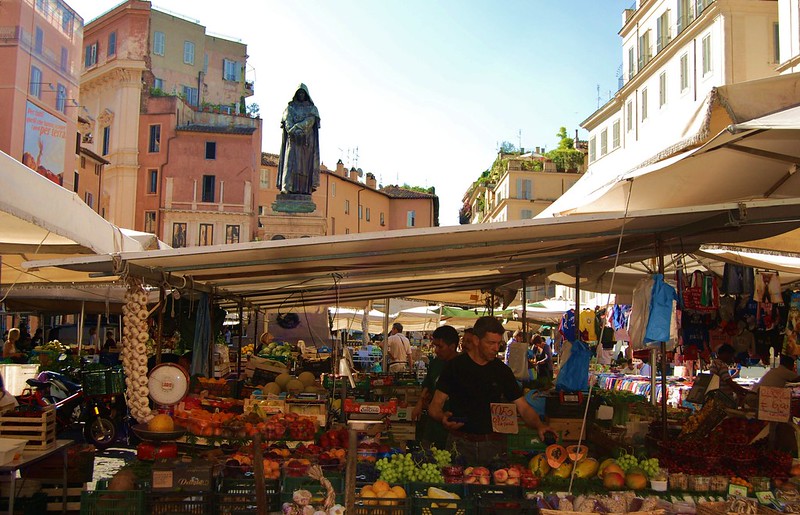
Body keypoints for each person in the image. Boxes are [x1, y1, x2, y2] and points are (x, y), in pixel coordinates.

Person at [428, 316, 552, 465]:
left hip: (494, 445)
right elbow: (434, 407)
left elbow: (523, 407)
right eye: (490, 343)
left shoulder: (502, 371)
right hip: (460, 444)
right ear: (476, 340)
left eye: (498, 343)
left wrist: (540, 425)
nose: (496, 348)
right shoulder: (455, 367)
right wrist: (443, 418)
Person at [411, 325, 459, 450]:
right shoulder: (436, 363)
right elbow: (428, 384)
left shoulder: (462, 365)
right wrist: (419, 404)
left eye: (440, 346)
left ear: (453, 347)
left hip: (452, 425)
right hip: (432, 424)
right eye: (435, 346)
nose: (436, 350)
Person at [277, 84, 321, 195]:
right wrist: (292, 130)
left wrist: (297, 127)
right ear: (296, 94)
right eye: (299, 93)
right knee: (290, 162)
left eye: (303, 93)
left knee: (304, 166)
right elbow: (287, 120)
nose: (301, 95)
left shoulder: (312, 109)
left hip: (306, 141)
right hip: (293, 139)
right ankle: (287, 187)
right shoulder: (290, 108)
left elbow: (310, 121)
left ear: (306, 94)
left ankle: (303, 189)